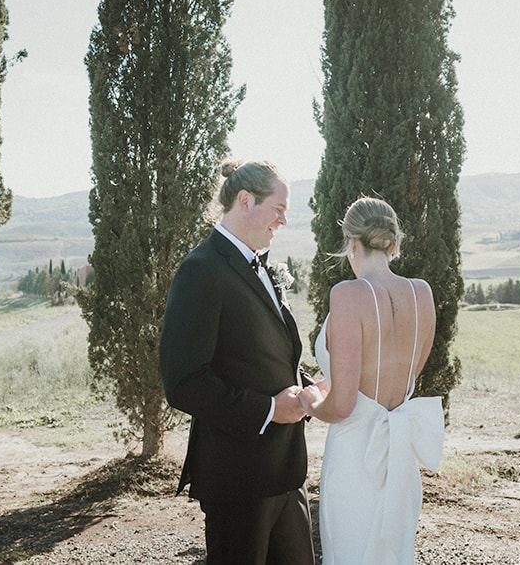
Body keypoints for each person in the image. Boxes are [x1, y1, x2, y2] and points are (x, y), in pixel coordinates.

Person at [159, 160, 315, 565]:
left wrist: (310, 390)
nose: (283, 220)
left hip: (287, 471)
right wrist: (269, 409)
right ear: (245, 201)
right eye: (278, 208)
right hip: (238, 477)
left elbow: (262, 355)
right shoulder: (201, 271)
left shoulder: (260, 266)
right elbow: (184, 381)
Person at [299, 197, 443, 565]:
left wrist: (309, 401)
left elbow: (344, 405)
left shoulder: (347, 295)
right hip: (399, 459)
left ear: (350, 242)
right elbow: (400, 374)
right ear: (393, 244)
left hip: (355, 458)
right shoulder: (422, 293)